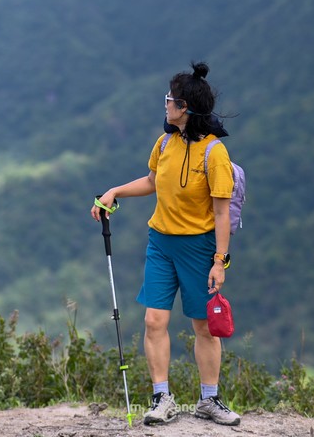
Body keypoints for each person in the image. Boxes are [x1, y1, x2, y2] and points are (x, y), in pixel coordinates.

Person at [90, 61, 241, 427]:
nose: (165, 104)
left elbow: (222, 213)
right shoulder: (165, 143)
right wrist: (114, 192)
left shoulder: (214, 153)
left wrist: (219, 260)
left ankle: (210, 400)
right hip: (161, 243)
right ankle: (162, 398)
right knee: (154, 320)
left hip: (199, 248)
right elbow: (153, 181)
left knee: (203, 325)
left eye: (169, 99)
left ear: (184, 108)